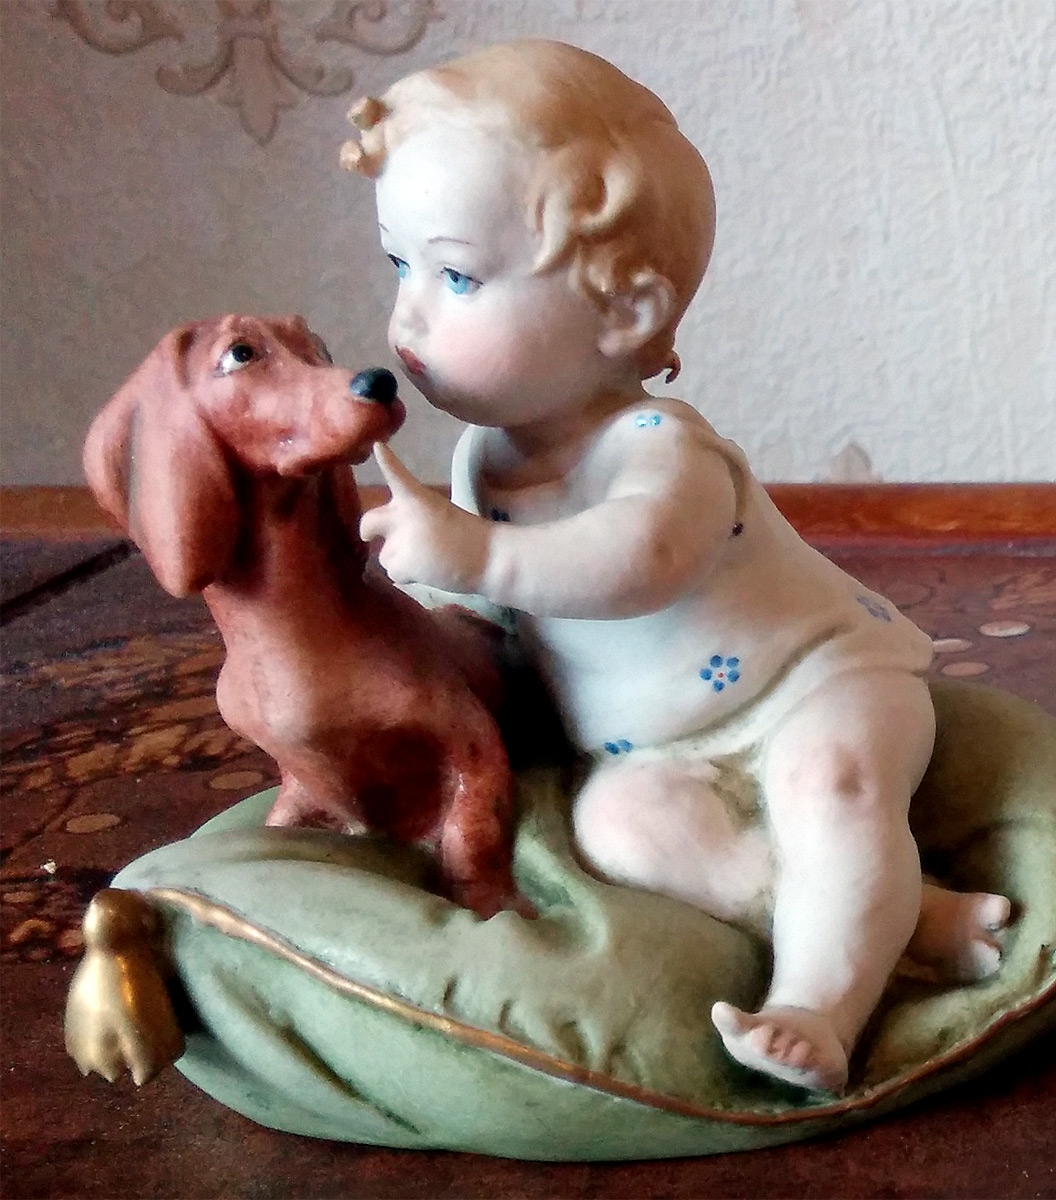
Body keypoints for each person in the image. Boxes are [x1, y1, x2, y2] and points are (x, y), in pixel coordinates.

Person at [345, 39, 1010, 1092]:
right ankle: (897, 917)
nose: (410, 314)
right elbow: (480, 614)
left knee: (828, 790)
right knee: (621, 829)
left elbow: (635, 563)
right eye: (401, 265)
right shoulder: (481, 459)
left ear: (629, 312)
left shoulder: (659, 448)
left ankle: (820, 1009)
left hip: (811, 685)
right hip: (654, 749)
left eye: (458, 274)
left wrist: (473, 552)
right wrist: (406, 604)